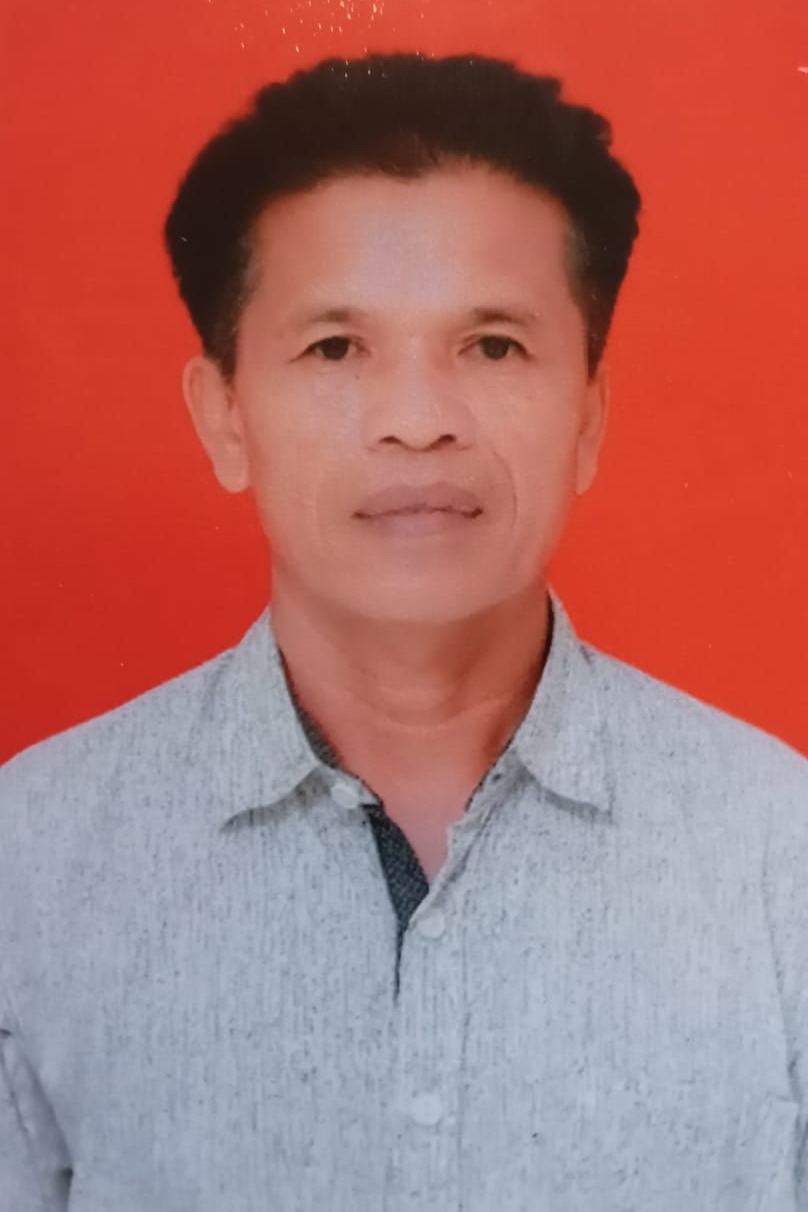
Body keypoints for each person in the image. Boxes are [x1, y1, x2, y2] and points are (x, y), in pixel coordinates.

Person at [1, 51, 806, 1212]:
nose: (418, 421)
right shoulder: (32, 859)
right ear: (224, 417)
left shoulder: (778, 857)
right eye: (334, 348)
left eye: (493, 346)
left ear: (588, 416)